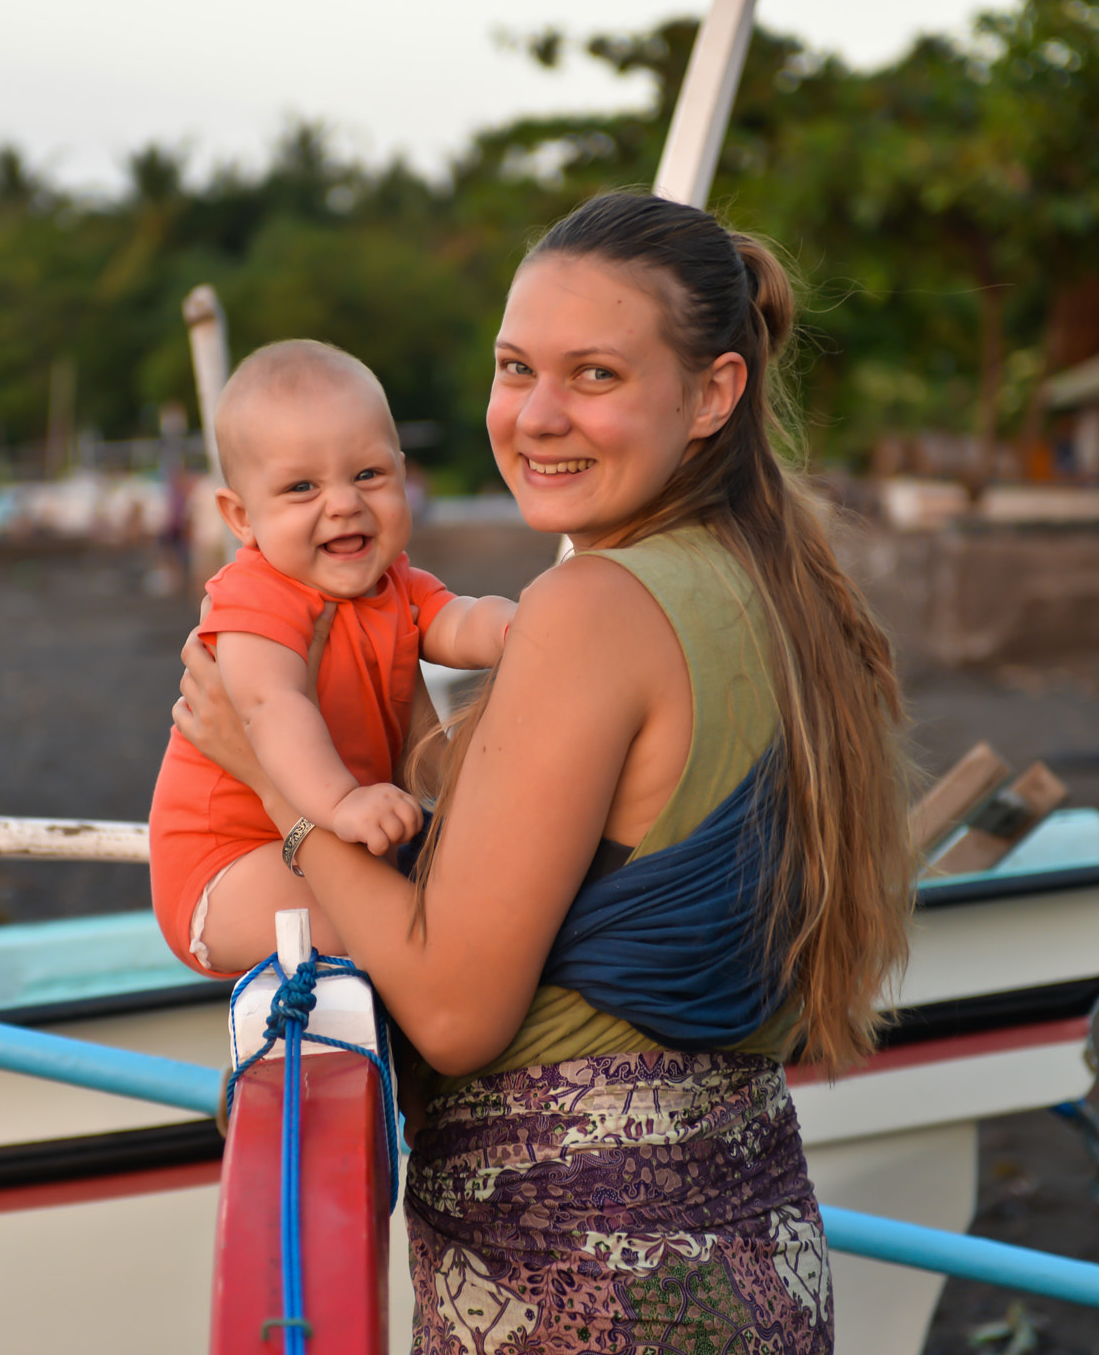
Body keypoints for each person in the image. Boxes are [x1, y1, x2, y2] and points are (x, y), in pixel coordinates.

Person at [173, 192, 912, 1353]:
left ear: (714, 392)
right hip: (757, 1253)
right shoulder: (773, 588)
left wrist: (267, 785)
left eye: (594, 375)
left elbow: (458, 1010)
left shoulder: (591, 606)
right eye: (515, 366)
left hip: (582, 1291)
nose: (534, 414)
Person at [149, 340, 516, 978]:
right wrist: (343, 801)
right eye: (301, 487)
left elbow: (458, 621)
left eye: (368, 475)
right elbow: (272, 705)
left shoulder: (396, 584)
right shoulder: (256, 594)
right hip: (229, 865)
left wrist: (525, 625)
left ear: (403, 476)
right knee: (398, 927)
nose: (343, 502)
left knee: (428, 904)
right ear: (242, 517)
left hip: (330, 833)